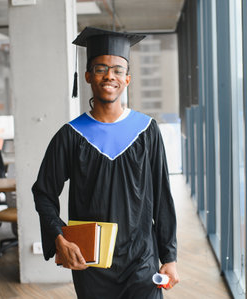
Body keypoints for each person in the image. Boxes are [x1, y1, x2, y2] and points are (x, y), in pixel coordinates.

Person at [32, 27, 179, 299]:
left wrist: (169, 257)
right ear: (88, 76)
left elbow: (162, 197)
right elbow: (43, 192)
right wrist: (58, 237)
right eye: (101, 68)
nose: (109, 75)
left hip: (142, 261)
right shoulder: (71, 135)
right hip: (92, 265)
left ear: (127, 79)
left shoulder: (147, 130)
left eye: (118, 70)